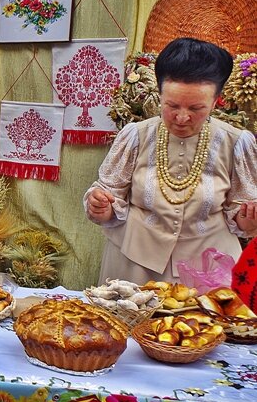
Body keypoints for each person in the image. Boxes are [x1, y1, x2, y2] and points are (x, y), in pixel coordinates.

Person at [85, 37, 257, 283]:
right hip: (133, 265)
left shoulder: (236, 142)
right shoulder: (135, 136)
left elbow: (240, 214)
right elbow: (108, 199)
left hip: (208, 271)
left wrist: (248, 219)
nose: (182, 117)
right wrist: (100, 206)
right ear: (159, 93)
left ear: (217, 99)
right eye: (172, 105)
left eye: (197, 108)